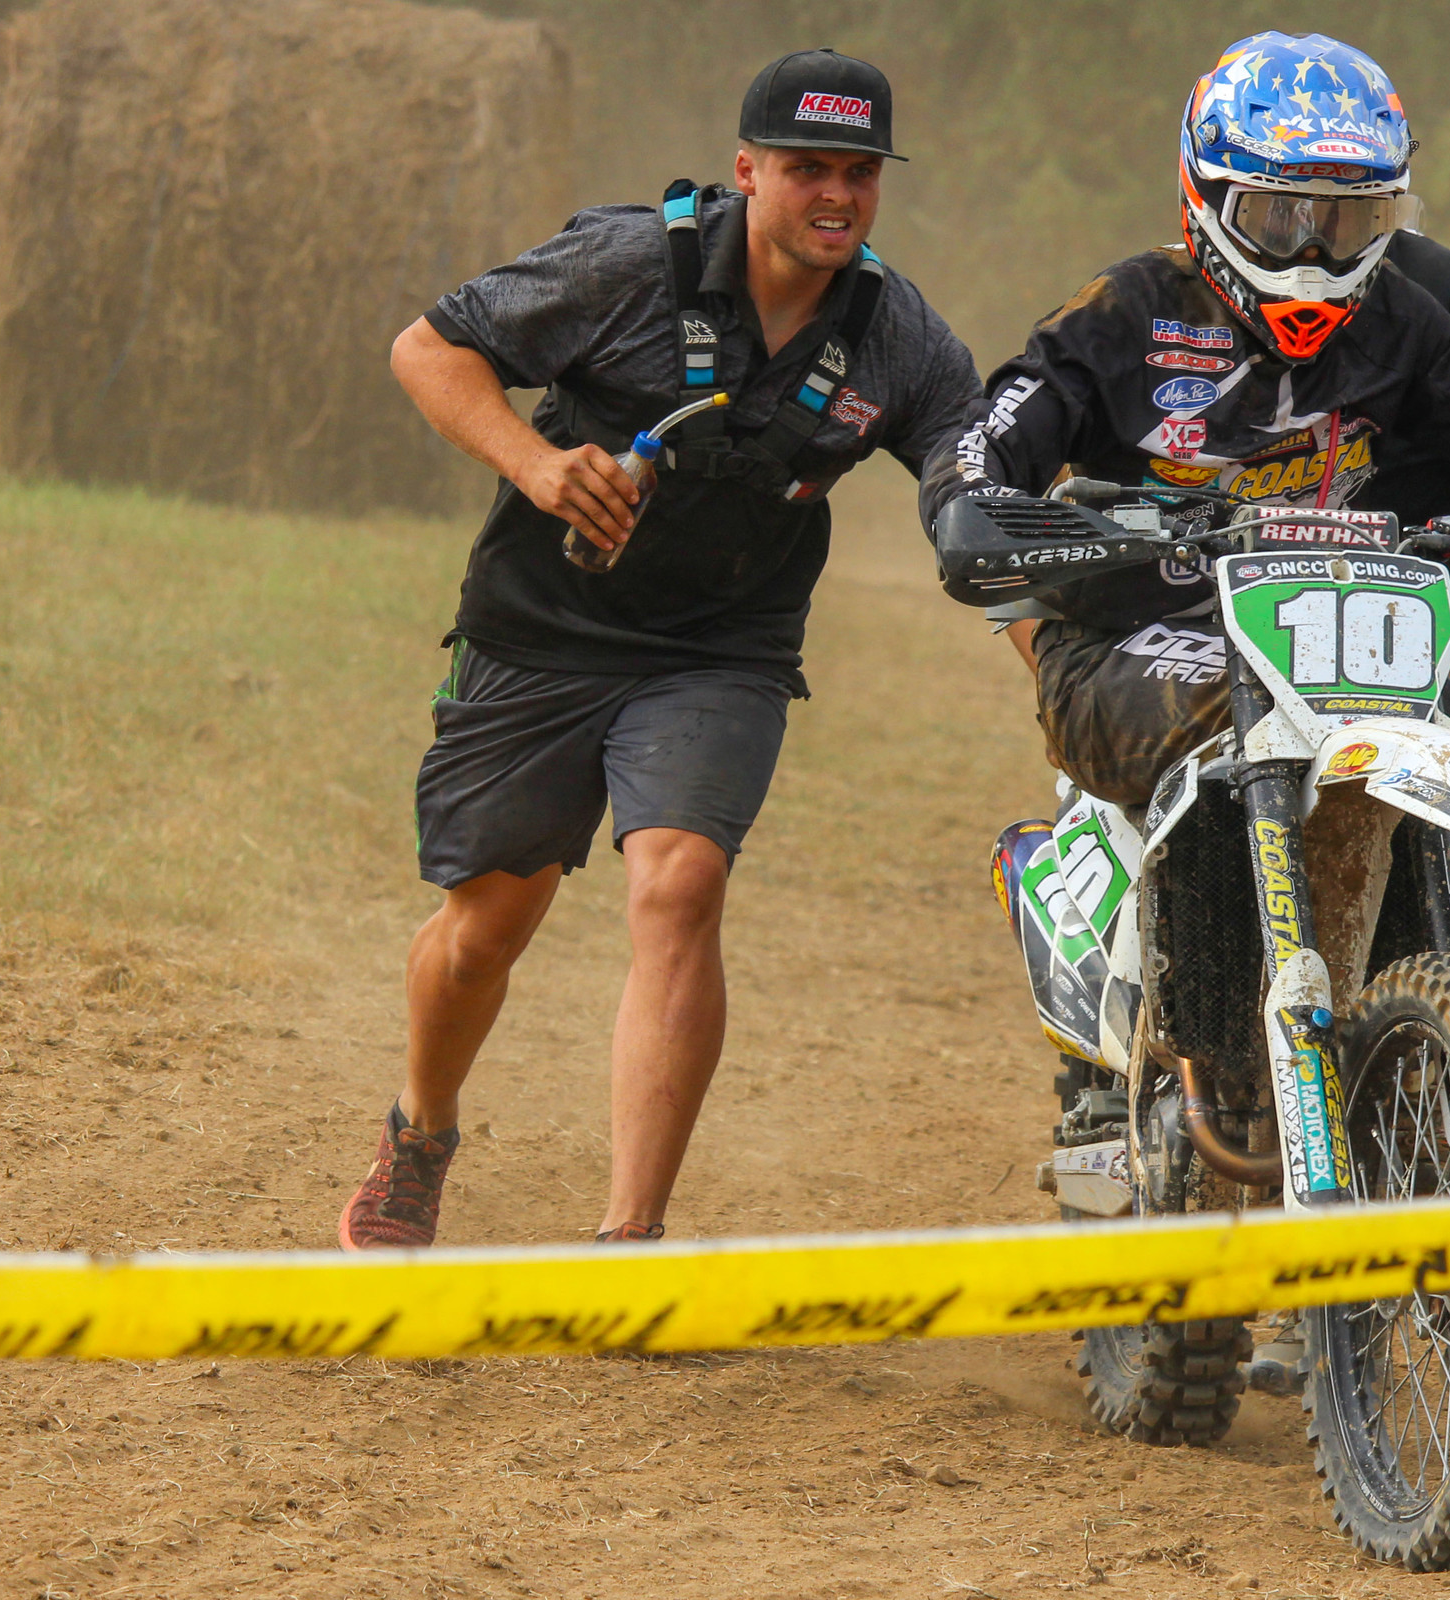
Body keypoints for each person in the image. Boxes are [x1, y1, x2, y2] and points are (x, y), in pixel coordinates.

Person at [921, 31, 1450, 1164]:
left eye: (1346, 222)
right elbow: (984, 446)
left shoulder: (1408, 318)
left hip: (1323, 630)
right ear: (1208, 197)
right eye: (1279, 218)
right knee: (1255, 722)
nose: (1312, 255)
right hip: (1131, 642)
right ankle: (1135, 1057)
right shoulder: (1122, 312)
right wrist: (982, 507)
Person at [342, 48, 979, 1249]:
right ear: (748, 172)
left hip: (722, 647)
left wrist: (1021, 574)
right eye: (806, 171)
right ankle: (423, 1128)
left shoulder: (898, 338)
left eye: (858, 172)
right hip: (544, 627)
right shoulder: (628, 264)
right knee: (485, 928)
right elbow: (426, 349)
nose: (835, 196)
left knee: (680, 881)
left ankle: (632, 1244)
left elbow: (971, 458)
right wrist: (535, 465)